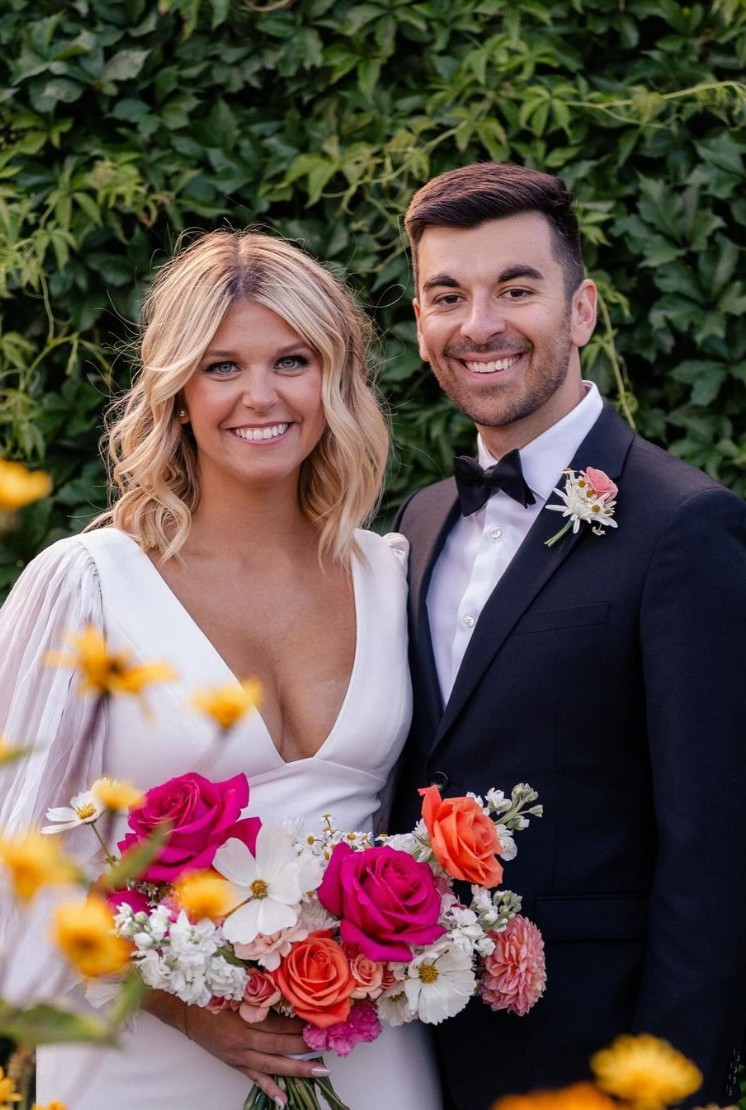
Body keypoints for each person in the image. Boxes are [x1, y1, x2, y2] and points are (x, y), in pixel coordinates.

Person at [0, 229, 442, 1110]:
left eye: (291, 360)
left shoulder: (391, 575)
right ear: (176, 391)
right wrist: (182, 1003)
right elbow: (16, 858)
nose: (261, 396)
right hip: (142, 1053)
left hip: (366, 1053)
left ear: (335, 378)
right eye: (221, 367)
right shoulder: (89, 585)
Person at [390, 161, 746, 1109]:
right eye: (447, 296)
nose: (480, 325)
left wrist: (667, 1084)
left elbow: (714, 847)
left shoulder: (685, 525)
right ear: (422, 327)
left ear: (582, 310)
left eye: (516, 288)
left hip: (589, 1059)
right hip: (405, 1049)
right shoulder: (419, 521)